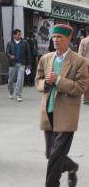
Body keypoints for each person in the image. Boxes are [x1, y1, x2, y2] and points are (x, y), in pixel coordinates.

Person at [35, 24, 89, 187]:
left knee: (55, 155)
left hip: (66, 115)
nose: (56, 40)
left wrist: (59, 80)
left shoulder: (79, 61)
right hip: (48, 111)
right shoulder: (46, 58)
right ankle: (72, 167)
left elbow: (81, 87)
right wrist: (45, 83)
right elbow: (38, 80)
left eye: (60, 37)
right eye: (54, 37)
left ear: (69, 39)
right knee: (50, 154)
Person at [6, 29, 31, 102]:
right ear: (14, 35)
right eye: (18, 34)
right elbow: (7, 52)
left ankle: (18, 95)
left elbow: (28, 53)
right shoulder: (10, 43)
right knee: (10, 80)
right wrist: (10, 56)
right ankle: (11, 92)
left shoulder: (24, 43)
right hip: (12, 64)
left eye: (20, 34)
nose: (19, 35)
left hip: (21, 64)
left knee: (20, 80)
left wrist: (29, 64)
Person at [78, 29, 89, 105]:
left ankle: (86, 98)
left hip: (85, 63)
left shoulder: (83, 41)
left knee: (86, 80)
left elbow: (80, 54)